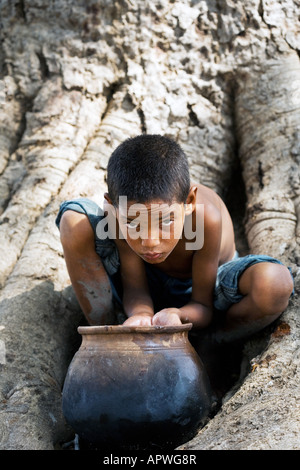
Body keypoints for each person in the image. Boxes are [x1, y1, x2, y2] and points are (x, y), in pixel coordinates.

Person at [56, 134, 294, 343]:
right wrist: (141, 315)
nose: (149, 242)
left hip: (206, 288)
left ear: (189, 202)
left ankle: (212, 345)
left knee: (274, 283)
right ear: (112, 205)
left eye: (165, 221)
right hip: (145, 284)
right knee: (74, 220)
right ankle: (106, 337)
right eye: (132, 222)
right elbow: (135, 289)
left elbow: (203, 305)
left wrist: (179, 315)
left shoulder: (204, 217)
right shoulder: (117, 213)